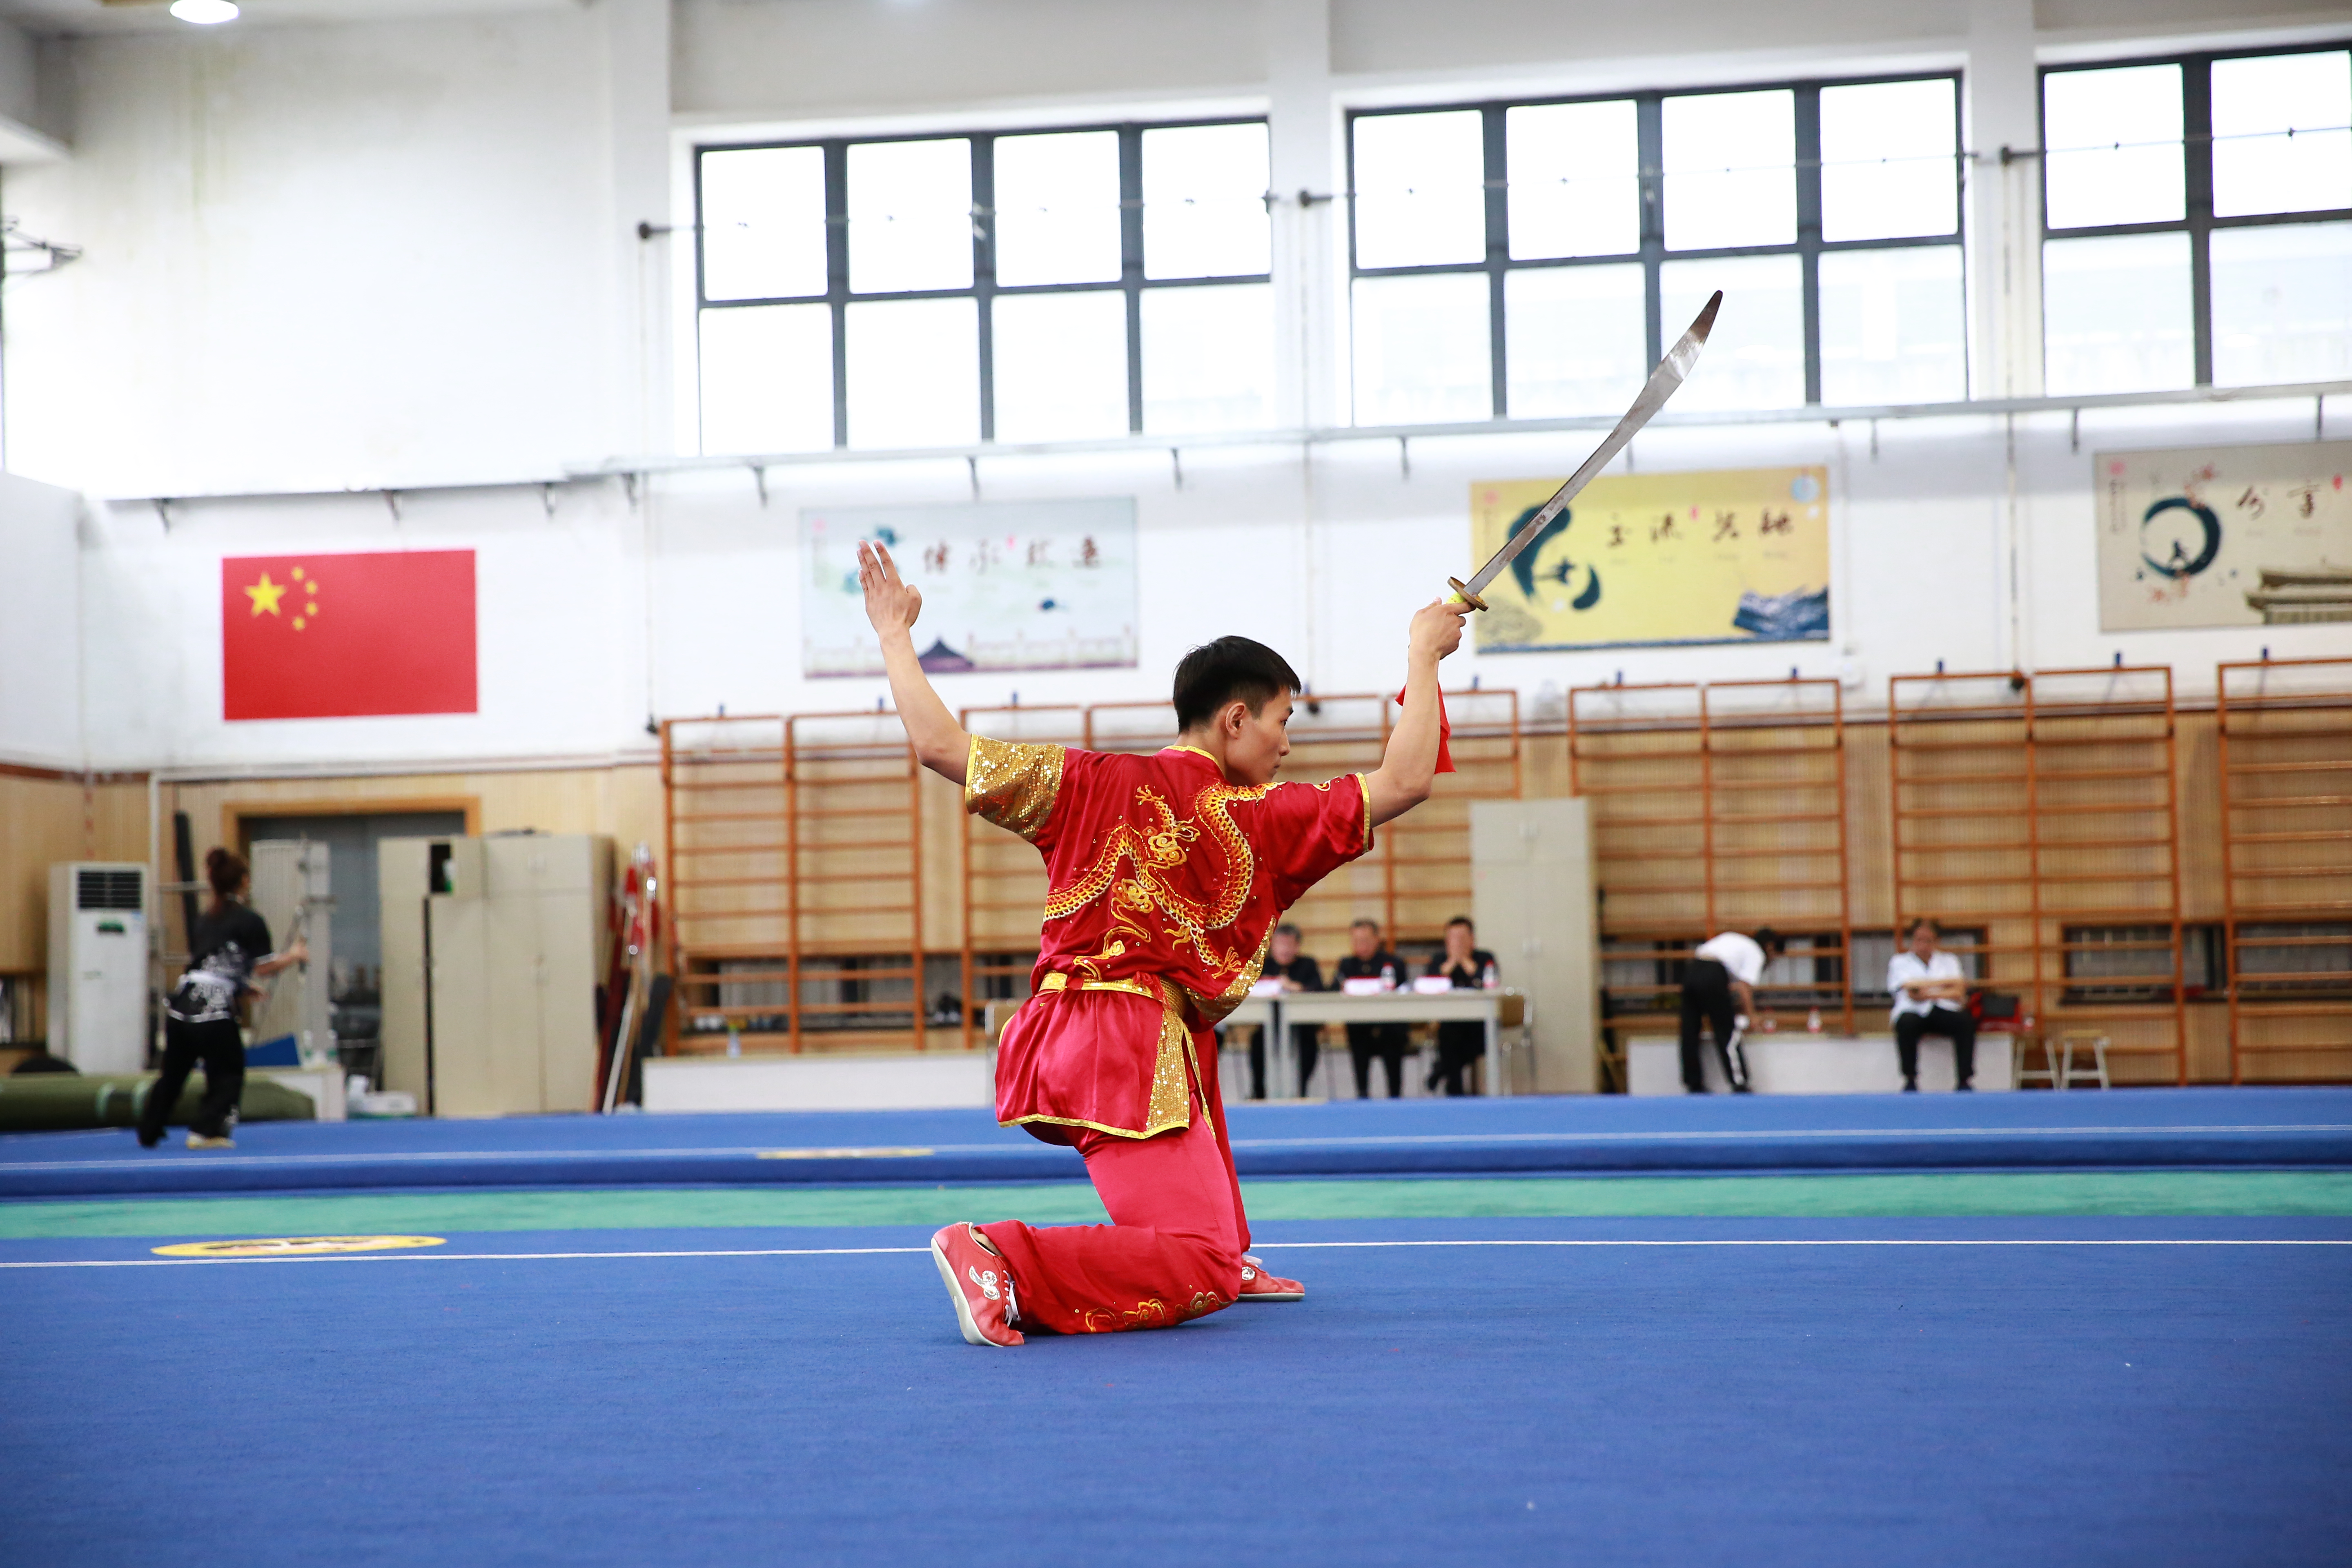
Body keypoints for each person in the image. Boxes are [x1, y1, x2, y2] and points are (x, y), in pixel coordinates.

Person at [854, 539, 1468, 1347]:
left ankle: (1223, 1251)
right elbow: (1405, 779)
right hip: (1123, 1045)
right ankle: (1002, 1255)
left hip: (1082, 1032)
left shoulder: (1088, 780)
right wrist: (1423, 655)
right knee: (1197, 1265)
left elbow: (941, 747)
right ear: (1236, 718)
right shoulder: (1262, 816)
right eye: (1283, 722)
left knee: (1196, 1050)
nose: (1288, 744)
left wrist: (894, 635)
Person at [137, 847, 308, 1150]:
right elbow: (263, 966)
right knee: (228, 1073)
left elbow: (210, 964)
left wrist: (242, 987)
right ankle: (207, 1130)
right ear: (244, 882)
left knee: (174, 1074)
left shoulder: (205, 920)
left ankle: (149, 1129)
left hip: (182, 1003)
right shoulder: (250, 920)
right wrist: (294, 956)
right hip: (214, 1010)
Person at [1679, 926, 1782, 1094]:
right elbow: (1744, 988)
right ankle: (1739, 1081)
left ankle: (1693, 1082)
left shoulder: (1734, 939)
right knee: (1727, 1031)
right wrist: (1753, 1017)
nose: (1771, 960)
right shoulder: (1755, 952)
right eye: (1774, 956)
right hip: (1713, 974)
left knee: (1690, 1030)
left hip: (1692, 972)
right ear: (1770, 947)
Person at [1887, 916, 1975, 1092]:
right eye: (1919, 939)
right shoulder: (1900, 961)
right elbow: (1912, 992)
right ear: (1913, 940)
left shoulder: (1949, 960)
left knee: (1965, 1021)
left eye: (1929, 940)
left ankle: (1964, 1079)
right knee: (1906, 1024)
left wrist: (1927, 989)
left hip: (1943, 1009)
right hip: (1914, 1011)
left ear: (1937, 941)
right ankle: (1910, 1079)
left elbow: (1959, 991)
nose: (1923, 944)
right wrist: (1944, 984)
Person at [1332, 917, 1409, 1099]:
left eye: (1366, 940)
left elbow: (1405, 991)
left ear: (1377, 940)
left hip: (1389, 1026)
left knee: (1393, 1040)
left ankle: (1395, 1096)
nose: (1362, 945)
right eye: (1357, 941)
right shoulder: (1346, 964)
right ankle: (1362, 1094)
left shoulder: (1394, 963)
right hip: (1360, 1027)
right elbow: (1333, 990)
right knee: (1358, 1040)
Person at [1247, 922, 1323, 1100]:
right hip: (1269, 1025)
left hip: (1302, 1025)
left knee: (1308, 1043)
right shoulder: (1263, 964)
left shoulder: (1308, 964)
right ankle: (1259, 1091)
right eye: (1280, 945)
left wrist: (1295, 987)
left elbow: (1320, 990)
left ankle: (1301, 1090)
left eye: (1289, 945)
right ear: (1272, 946)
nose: (1285, 950)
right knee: (1257, 1043)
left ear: (1297, 946)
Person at [1424, 915, 1497, 1096]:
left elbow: (1488, 982)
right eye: (1452, 939)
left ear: (1472, 939)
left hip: (1479, 1024)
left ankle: (1442, 1069)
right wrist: (1450, 964)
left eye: (1462, 938)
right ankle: (1455, 1090)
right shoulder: (1439, 960)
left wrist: (1464, 961)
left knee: (1461, 1043)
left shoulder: (1485, 958)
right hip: (1450, 1024)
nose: (1457, 943)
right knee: (1449, 1035)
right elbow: (1429, 985)